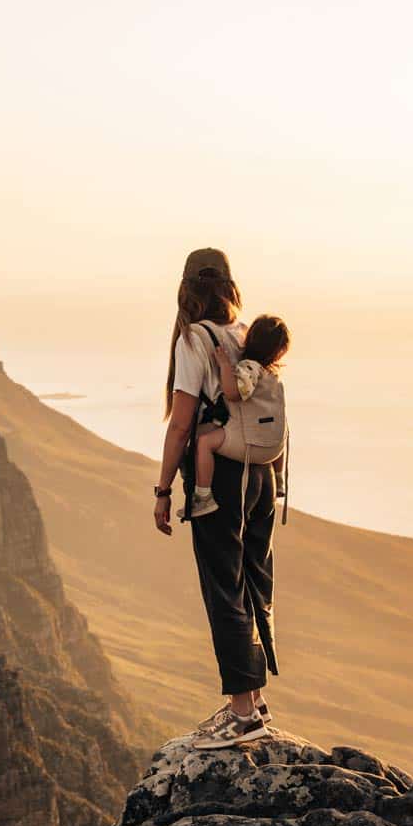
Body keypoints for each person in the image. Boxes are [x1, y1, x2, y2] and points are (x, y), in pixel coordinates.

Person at [152, 248, 280, 749]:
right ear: (229, 286)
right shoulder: (244, 333)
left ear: (186, 290)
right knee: (252, 582)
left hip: (220, 477)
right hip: (260, 475)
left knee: (223, 587)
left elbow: (181, 424)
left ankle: (243, 713)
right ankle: (255, 700)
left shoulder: (194, 339)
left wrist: (164, 490)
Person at [182, 314, 292, 521]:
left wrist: (225, 365)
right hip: (274, 450)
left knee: (203, 443)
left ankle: (203, 496)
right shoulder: (273, 374)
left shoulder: (249, 368)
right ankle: (279, 481)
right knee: (278, 425)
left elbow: (233, 393)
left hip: (250, 446)